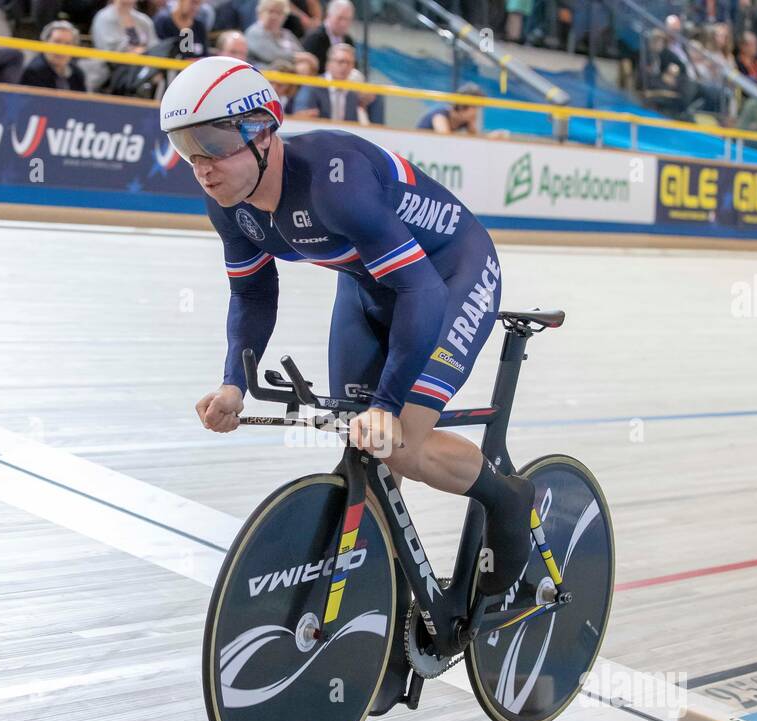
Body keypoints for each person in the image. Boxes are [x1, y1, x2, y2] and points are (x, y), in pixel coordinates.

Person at [161, 57, 535, 595]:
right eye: (185, 147)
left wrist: (387, 405)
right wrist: (233, 383)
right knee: (366, 448)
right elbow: (252, 292)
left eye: (213, 145)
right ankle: (379, 608)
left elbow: (421, 290)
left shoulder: (335, 182)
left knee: (397, 440)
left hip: (449, 273)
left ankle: (507, 499)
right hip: (370, 283)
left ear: (263, 131)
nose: (201, 165)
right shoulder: (230, 204)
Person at [20, 20, 86, 90]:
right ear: (45, 43)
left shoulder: (77, 74)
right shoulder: (33, 72)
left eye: (68, 44)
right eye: (57, 42)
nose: (62, 49)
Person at [246, 0, 302, 66]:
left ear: (285, 17)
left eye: (279, 13)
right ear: (260, 13)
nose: (274, 16)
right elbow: (271, 55)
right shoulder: (254, 32)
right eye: (270, 11)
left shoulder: (288, 35)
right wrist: (300, 58)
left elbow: (301, 53)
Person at [301, 0, 353, 66]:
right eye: (340, 18)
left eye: (347, 19)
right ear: (328, 15)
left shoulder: (348, 41)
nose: (343, 23)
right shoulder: (315, 38)